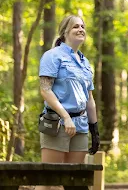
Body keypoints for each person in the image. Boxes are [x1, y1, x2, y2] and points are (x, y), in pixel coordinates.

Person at [37, 15, 100, 189]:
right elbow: (45, 90)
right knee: (49, 181)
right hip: (57, 124)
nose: (81, 29)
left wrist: (94, 129)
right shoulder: (52, 56)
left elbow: (89, 98)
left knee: (75, 181)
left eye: (83, 26)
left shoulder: (84, 62)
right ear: (65, 32)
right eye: (75, 27)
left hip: (80, 126)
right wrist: (66, 117)